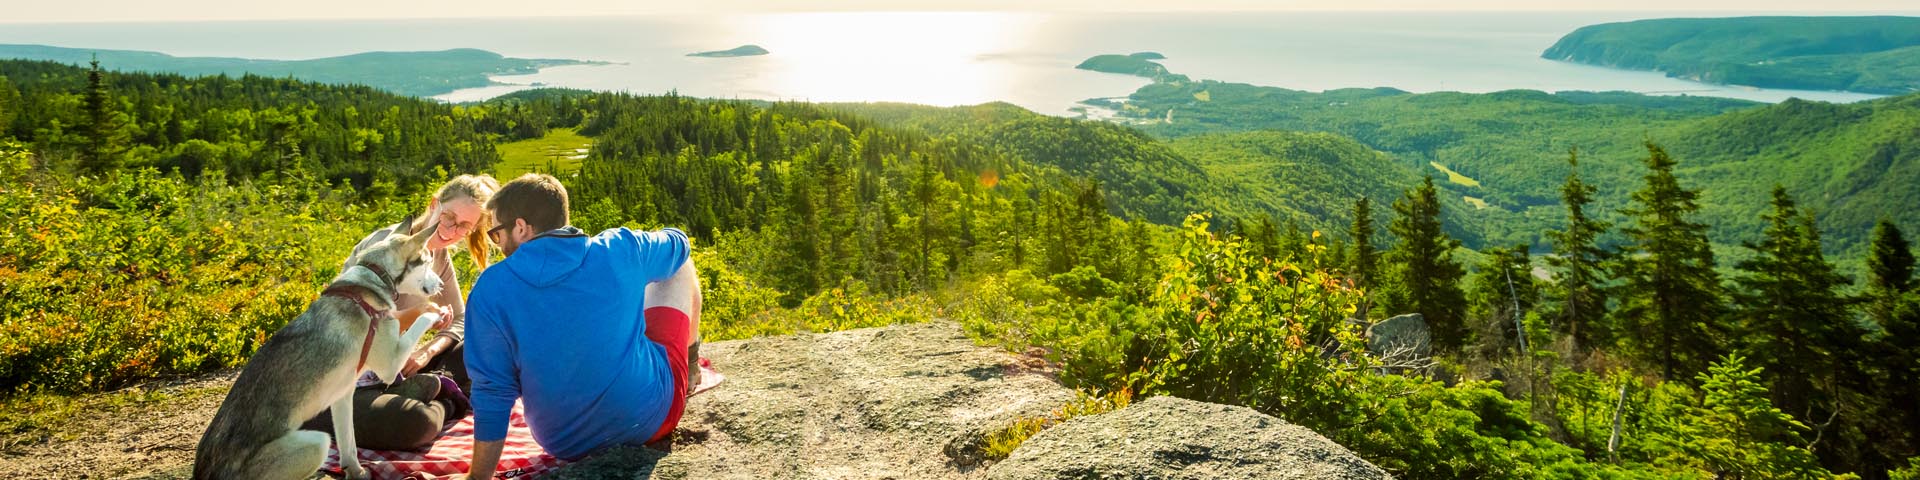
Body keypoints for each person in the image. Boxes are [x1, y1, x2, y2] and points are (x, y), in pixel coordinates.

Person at [458, 173, 701, 478]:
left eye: (496, 234)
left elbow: (493, 390)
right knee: (678, 266)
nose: (497, 243)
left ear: (521, 227)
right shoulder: (620, 248)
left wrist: (477, 477)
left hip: (565, 442)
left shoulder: (490, 288)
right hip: (649, 420)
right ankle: (690, 364)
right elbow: (680, 243)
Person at [299, 174, 500, 450]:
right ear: (434, 205)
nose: (452, 230)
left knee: (486, 346)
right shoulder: (386, 246)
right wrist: (418, 314)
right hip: (343, 380)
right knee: (417, 424)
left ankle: (428, 389)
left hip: (392, 369)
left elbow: (461, 319)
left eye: (464, 226)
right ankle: (444, 398)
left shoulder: (439, 257)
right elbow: (356, 319)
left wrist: (428, 350)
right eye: (449, 217)